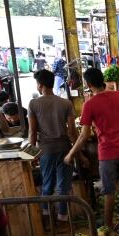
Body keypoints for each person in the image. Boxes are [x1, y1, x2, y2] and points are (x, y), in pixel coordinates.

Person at [64, 68, 119, 230]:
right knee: (115, 181)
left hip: (108, 151)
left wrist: (71, 154)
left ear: (88, 84)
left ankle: (108, 225)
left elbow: (84, 135)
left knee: (108, 191)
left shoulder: (89, 104)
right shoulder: (118, 95)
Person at [29, 70, 77, 222]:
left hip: (46, 150)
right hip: (64, 148)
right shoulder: (66, 103)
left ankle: (47, 217)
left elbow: (32, 131)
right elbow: (72, 131)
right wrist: (77, 152)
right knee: (64, 185)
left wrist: (32, 154)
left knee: (47, 184)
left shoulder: (34, 103)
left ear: (40, 85)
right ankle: (63, 218)